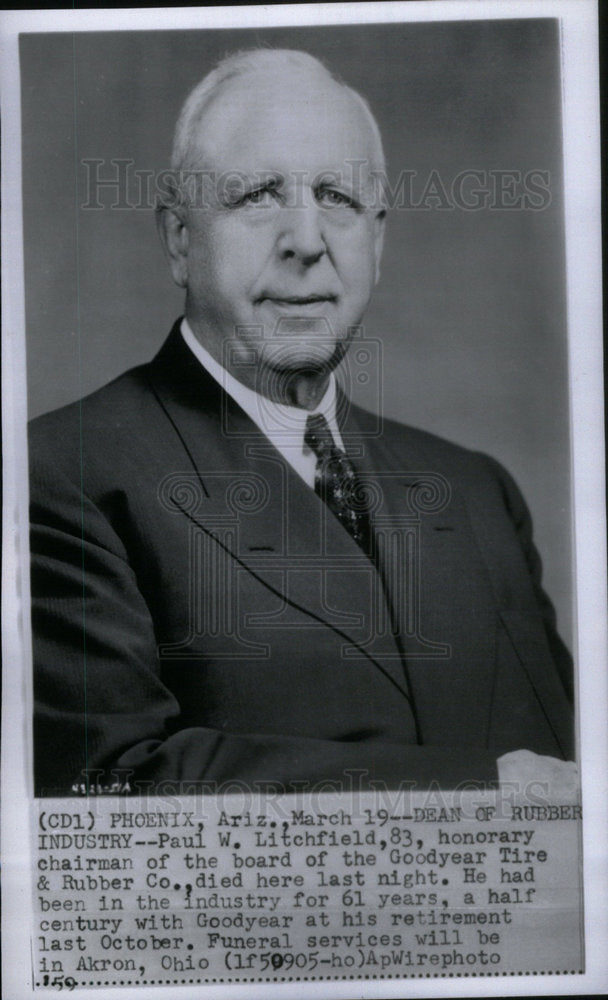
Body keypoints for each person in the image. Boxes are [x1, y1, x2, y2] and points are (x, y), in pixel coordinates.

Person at [29, 49, 575, 797]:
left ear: (377, 242)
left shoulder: (478, 493)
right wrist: (478, 786)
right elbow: (109, 791)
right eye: (258, 194)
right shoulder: (64, 473)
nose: (307, 241)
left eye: (338, 198)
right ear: (180, 240)